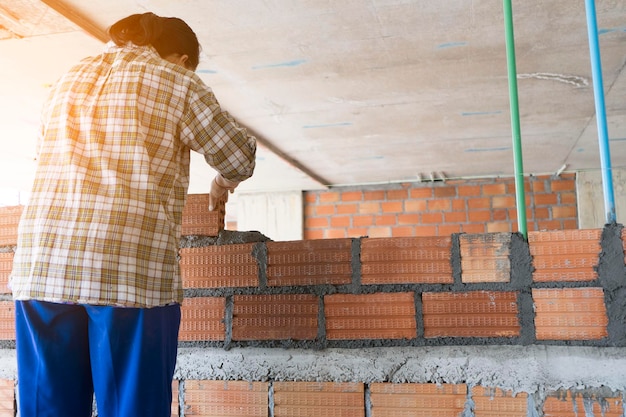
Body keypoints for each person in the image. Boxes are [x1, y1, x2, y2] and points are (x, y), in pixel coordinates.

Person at [10, 12, 256, 417]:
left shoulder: (64, 82)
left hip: (42, 269)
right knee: (132, 408)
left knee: (45, 408)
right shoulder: (177, 81)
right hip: (128, 272)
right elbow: (237, 156)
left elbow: (43, 159)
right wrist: (221, 183)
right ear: (179, 58)